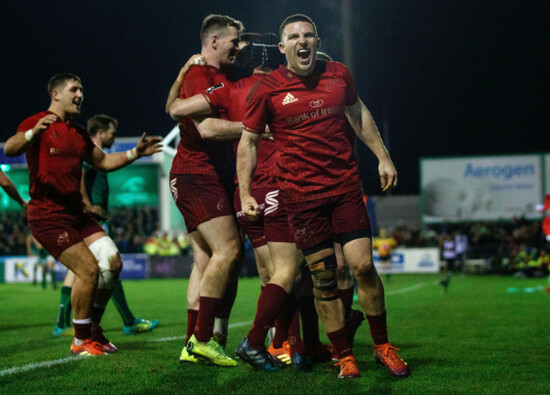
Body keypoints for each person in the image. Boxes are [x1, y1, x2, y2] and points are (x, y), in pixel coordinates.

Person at [237, 14, 410, 378]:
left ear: (317, 42)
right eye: (294, 37)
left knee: (362, 266)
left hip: (344, 187)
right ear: (282, 48)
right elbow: (248, 143)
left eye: (309, 35)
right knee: (324, 278)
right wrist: (244, 193)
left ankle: (382, 346)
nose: (303, 41)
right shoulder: (266, 89)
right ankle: (344, 355)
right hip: (301, 197)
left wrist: (383, 156)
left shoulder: (338, 75)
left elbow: (358, 112)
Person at [170, 34, 314, 371]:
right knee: (287, 272)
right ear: (269, 61)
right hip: (276, 185)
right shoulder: (279, 86)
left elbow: (176, 110)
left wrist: (181, 76)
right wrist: (258, 130)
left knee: (262, 271)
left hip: (242, 190)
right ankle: (282, 344)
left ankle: (209, 339)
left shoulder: (227, 90)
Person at [4, 73, 162, 356]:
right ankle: (80, 341)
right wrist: (32, 133)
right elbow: (11, 147)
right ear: (56, 94)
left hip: (76, 213)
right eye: (74, 89)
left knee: (112, 262)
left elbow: (102, 161)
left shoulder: (77, 133)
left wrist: (134, 154)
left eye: (82, 90)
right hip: (48, 215)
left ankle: (93, 330)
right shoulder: (37, 122)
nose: (80, 95)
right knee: (88, 269)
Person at [165, 14, 244, 367]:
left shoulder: (211, 77)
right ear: (213, 41)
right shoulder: (201, 75)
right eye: (233, 41)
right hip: (196, 174)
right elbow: (208, 129)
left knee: (205, 262)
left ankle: (191, 344)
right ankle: (203, 339)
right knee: (228, 250)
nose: (239, 47)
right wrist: (252, 127)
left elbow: (171, 107)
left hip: (202, 174)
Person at [52, 114, 159, 337]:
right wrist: (88, 205)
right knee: (110, 264)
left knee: (78, 272)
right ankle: (127, 321)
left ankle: (62, 323)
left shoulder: (96, 154)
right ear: (100, 132)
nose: (114, 136)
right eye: (111, 132)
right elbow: (80, 175)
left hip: (89, 218)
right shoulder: (90, 153)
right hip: (92, 220)